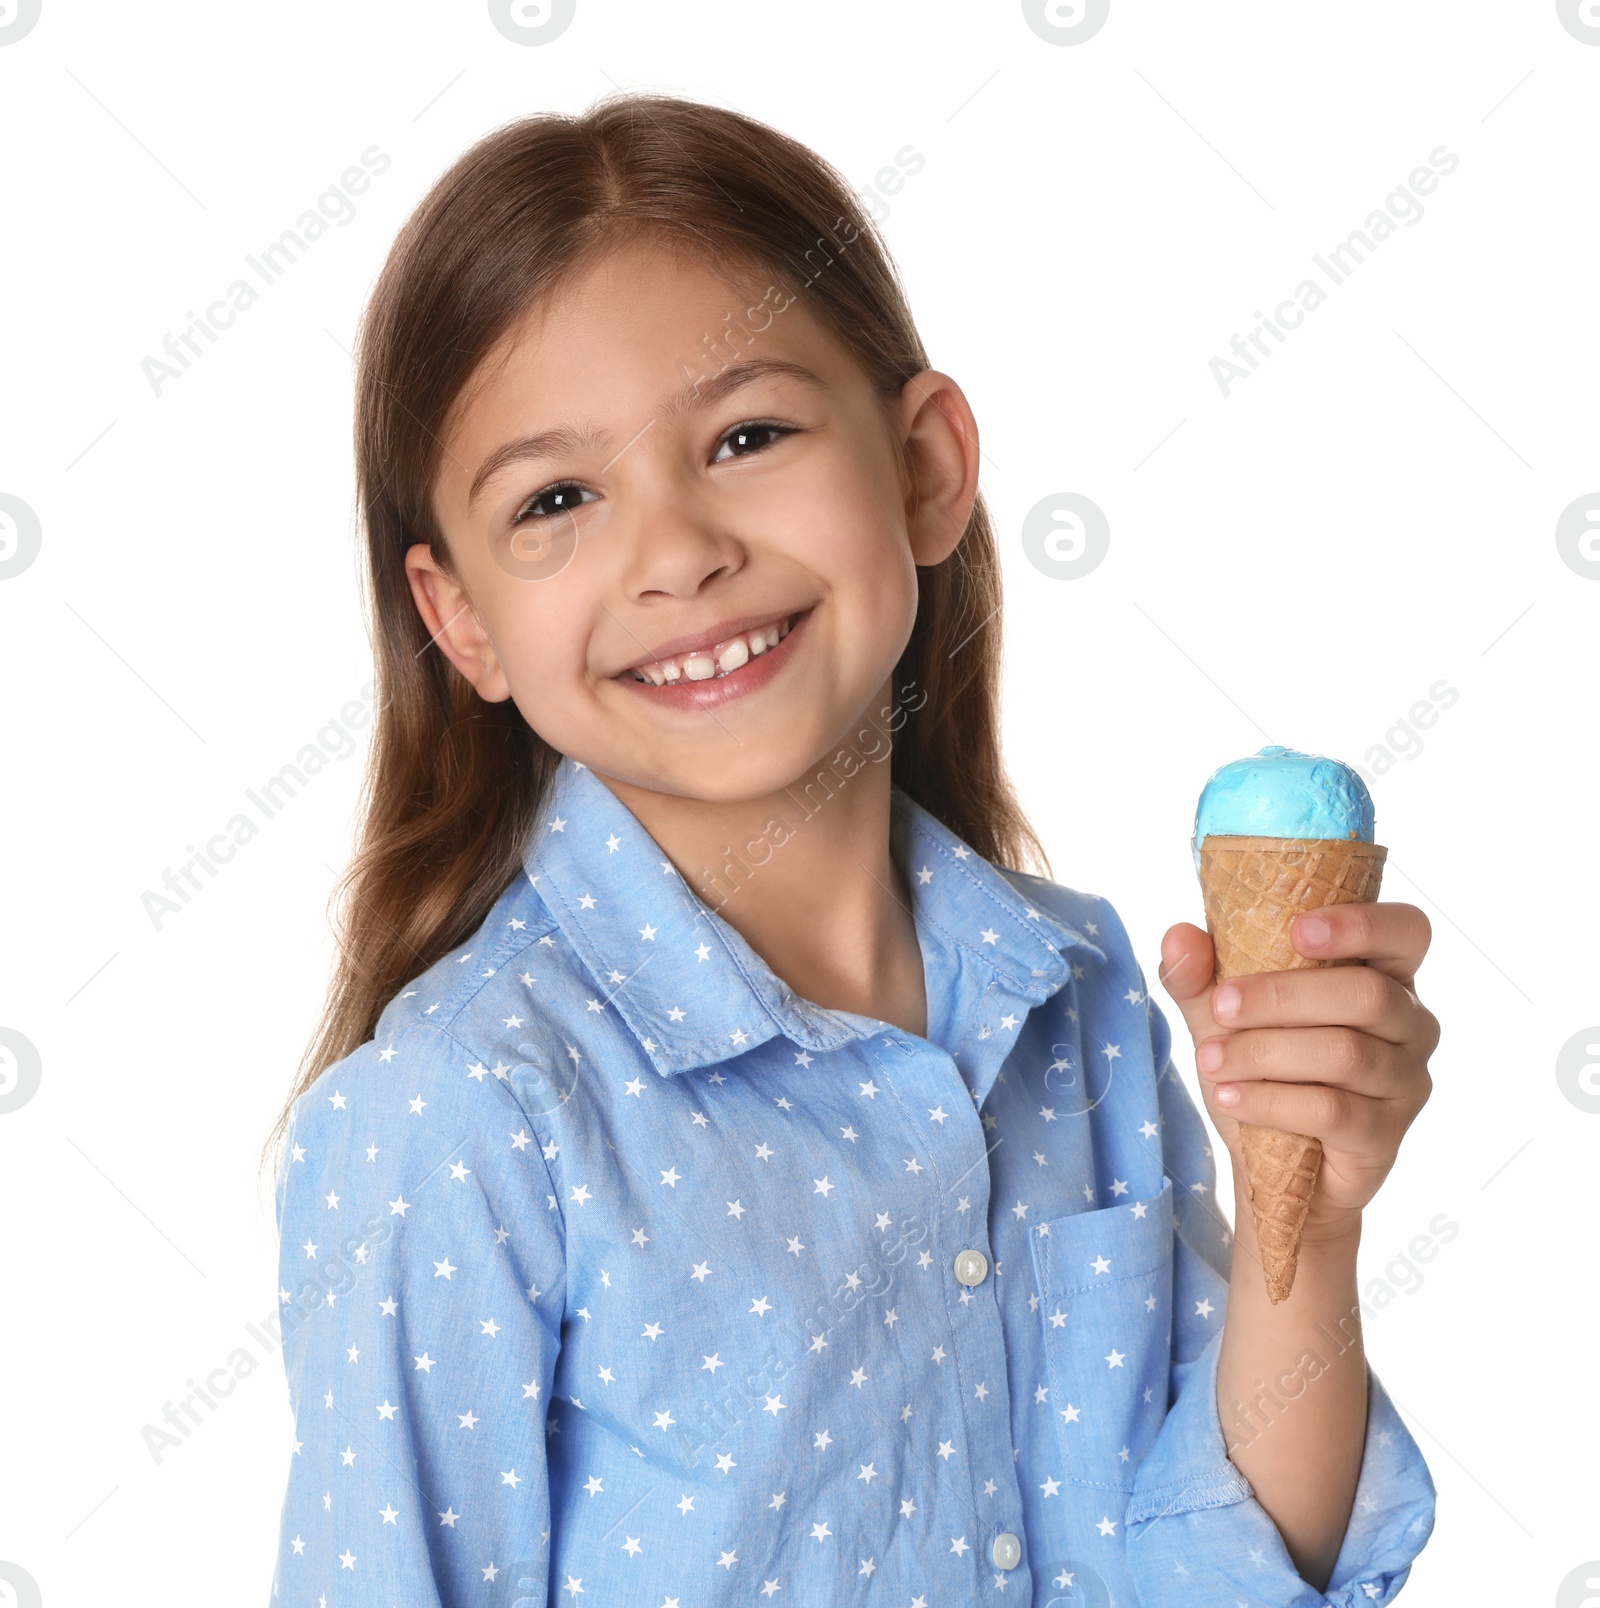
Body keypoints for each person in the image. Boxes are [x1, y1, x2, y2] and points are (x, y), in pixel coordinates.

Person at [266, 91, 1439, 1606]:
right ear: (464, 620)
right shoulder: (461, 1115)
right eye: (557, 499)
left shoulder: (1075, 990)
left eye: (746, 434)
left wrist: (1318, 1223)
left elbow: (1219, 1574)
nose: (677, 549)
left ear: (928, 466)